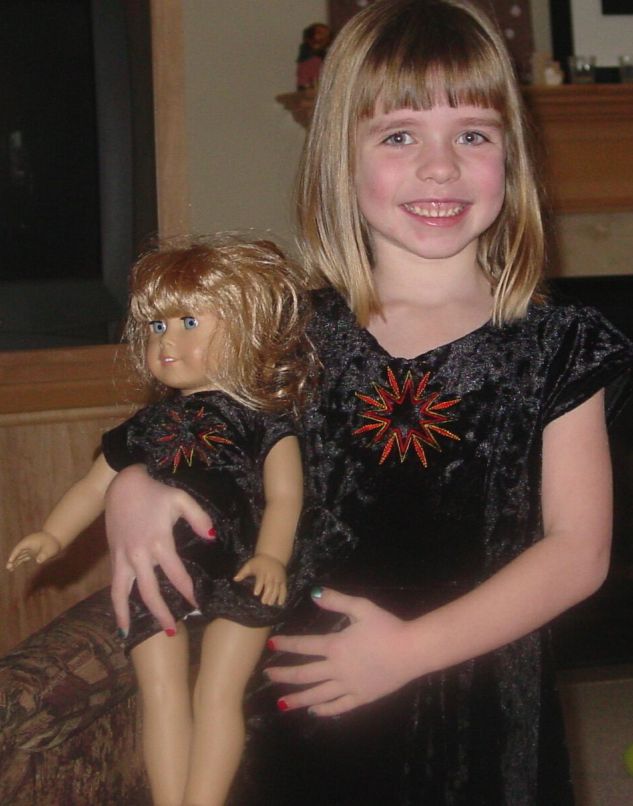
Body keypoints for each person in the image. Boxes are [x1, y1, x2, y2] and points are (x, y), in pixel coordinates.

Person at [105, 1, 633, 803]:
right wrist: (134, 487)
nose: (439, 167)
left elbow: (577, 552)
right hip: (304, 716)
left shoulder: (557, 345)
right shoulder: (281, 336)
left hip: (482, 719)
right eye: (398, 136)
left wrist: (409, 651)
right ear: (338, 160)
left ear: (511, 156)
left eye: (472, 135)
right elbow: (193, 438)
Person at [8, 236, 316, 806]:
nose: (166, 341)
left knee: (217, 693)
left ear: (246, 328)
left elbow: (285, 498)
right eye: (156, 326)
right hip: (154, 571)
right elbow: (94, 485)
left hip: (239, 567)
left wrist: (271, 556)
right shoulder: (147, 424)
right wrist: (53, 534)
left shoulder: (265, 421)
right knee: (161, 692)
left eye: (188, 322)